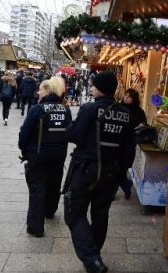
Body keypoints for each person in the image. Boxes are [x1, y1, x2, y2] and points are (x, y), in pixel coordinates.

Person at [63, 71, 135, 273]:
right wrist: (121, 173)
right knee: (100, 214)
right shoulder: (125, 114)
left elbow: (75, 136)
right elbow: (129, 150)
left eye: (94, 85)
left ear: (101, 88)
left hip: (86, 170)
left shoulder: (89, 109)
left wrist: (68, 126)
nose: (91, 88)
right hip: (111, 173)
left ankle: (92, 259)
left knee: (74, 212)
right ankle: (94, 256)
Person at [18, 77, 72, 237]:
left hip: (38, 154)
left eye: (40, 89)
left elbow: (24, 133)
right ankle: (49, 211)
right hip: (59, 154)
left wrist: (24, 148)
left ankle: (35, 227)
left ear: (48, 90)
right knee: (54, 183)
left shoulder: (37, 109)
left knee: (37, 188)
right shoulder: (65, 110)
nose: (38, 92)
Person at [118, 88, 147, 199]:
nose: (126, 98)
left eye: (129, 96)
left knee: (122, 167)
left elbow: (144, 124)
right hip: (117, 141)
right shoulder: (118, 108)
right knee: (116, 168)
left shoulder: (139, 112)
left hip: (129, 143)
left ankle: (125, 186)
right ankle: (124, 186)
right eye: (126, 95)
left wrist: (140, 126)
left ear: (134, 99)